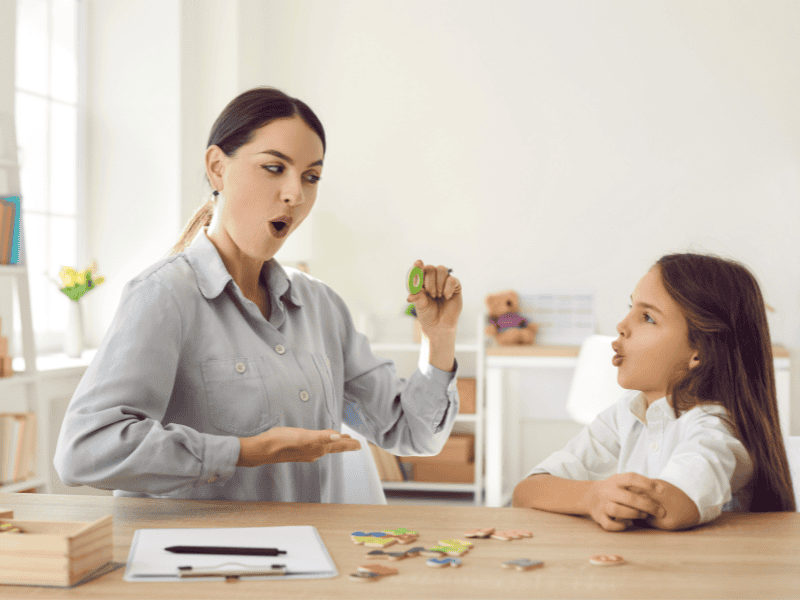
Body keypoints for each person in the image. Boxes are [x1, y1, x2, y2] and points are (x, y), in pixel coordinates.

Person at [53, 87, 463, 502]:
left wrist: (439, 337)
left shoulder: (322, 306)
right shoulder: (163, 296)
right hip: (202, 562)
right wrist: (245, 452)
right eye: (273, 167)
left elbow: (412, 433)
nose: (295, 194)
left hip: (315, 558)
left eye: (311, 176)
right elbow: (84, 450)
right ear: (217, 168)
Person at [512, 253, 795, 530]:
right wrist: (591, 497)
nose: (621, 326)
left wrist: (599, 497)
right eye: (630, 308)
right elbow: (527, 492)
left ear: (700, 352)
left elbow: (672, 509)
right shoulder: (627, 413)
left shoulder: (715, 428)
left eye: (647, 317)